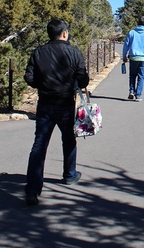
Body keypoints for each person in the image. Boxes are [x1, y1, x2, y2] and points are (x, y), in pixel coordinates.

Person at [24, 19, 89, 206]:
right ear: (64, 33)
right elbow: (83, 80)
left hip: (45, 104)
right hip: (65, 104)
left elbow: (29, 77)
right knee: (69, 140)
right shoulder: (74, 53)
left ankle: (33, 189)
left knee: (39, 145)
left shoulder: (38, 52)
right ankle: (69, 174)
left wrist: (42, 83)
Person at [122, 16, 144, 101]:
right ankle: (138, 95)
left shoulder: (132, 33)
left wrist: (124, 55)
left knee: (132, 75)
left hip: (133, 57)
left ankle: (131, 91)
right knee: (141, 77)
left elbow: (126, 45)